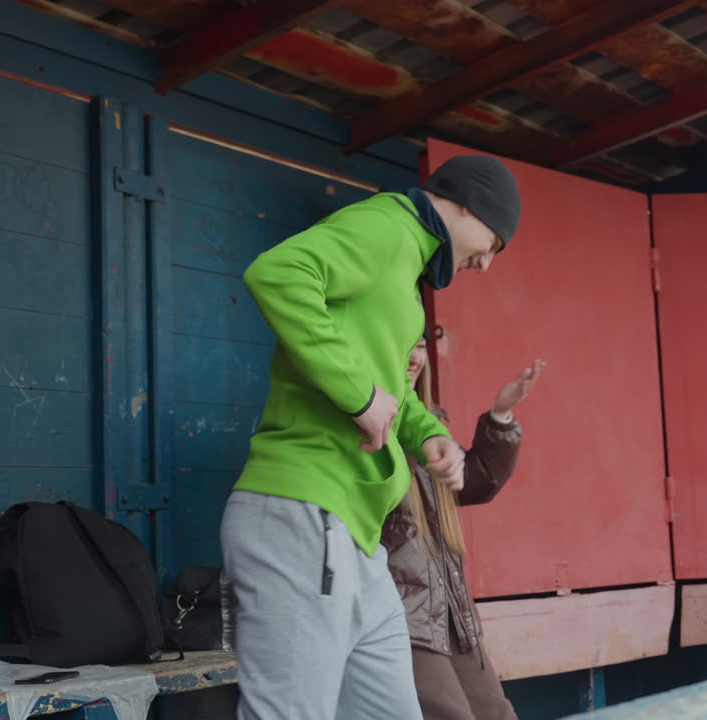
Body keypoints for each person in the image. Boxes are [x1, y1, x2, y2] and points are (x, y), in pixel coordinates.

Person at [221, 156, 521, 720]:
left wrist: (429, 435)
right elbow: (278, 273)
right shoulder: (386, 226)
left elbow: (390, 389)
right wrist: (359, 394)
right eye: (493, 240)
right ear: (463, 205)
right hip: (306, 512)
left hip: (358, 538)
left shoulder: (405, 272)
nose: (485, 262)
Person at [383, 335, 544, 720]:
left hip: (450, 611)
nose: (415, 356)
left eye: (420, 344)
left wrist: (501, 415)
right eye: (404, 343)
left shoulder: (428, 425)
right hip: (404, 612)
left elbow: (474, 480)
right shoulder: (369, 420)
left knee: (498, 714)